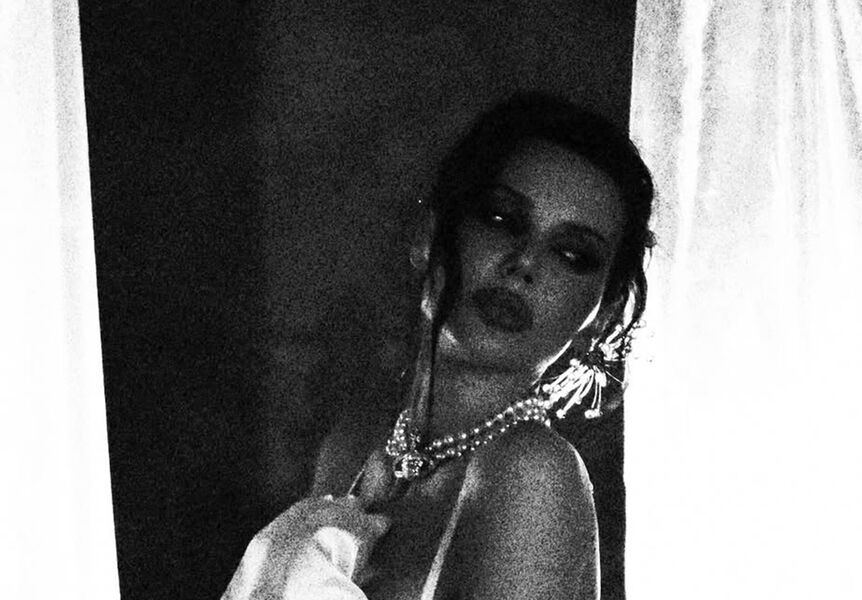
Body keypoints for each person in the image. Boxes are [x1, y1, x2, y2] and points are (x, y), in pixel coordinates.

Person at [222, 91, 655, 600]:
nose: (524, 263)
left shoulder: (534, 475)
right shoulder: (350, 449)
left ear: (601, 313)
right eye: (501, 219)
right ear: (430, 235)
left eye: (572, 253)